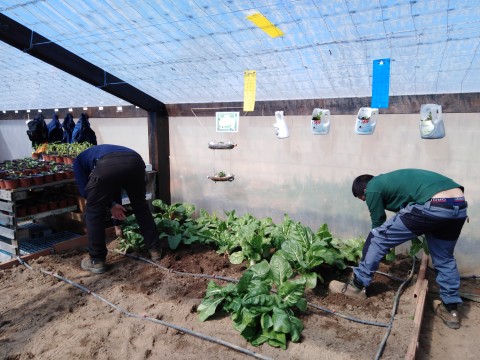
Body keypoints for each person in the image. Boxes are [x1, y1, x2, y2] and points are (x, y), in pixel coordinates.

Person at [329, 169, 468, 329]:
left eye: (363, 198)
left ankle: (356, 286)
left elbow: (378, 223)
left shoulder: (372, 187)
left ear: (364, 191)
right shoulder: (392, 182)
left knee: (376, 238)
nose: (365, 201)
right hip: (458, 203)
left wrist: (380, 247)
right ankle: (451, 311)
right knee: (444, 258)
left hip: (433, 204)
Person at [73, 144, 161, 274]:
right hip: (135, 161)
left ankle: (96, 260)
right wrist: (116, 223)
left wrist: (109, 204)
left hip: (109, 164)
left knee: (94, 210)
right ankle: (155, 250)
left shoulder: (78, 162)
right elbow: (114, 190)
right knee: (140, 206)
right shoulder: (100, 152)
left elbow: (86, 193)